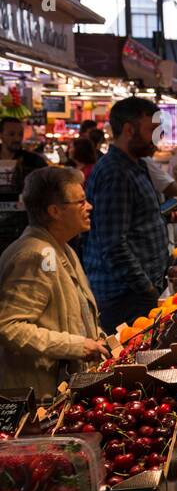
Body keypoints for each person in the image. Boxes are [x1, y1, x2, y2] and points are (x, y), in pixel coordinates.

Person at [0, 167, 107, 399]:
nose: (89, 207)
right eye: (80, 202)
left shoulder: (61, 247)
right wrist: (76, 346)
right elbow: (9, 327)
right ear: (55, 211)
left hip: (58, 389)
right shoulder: (35, 255)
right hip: (37, 396)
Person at [82, 97, 172, 333]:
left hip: (135, 291)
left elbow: (132, 221)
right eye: (153, 130)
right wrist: (146, 288)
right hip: (124, 296)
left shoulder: (136, 165)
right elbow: (113, 244)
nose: (159, 136)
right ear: (129, 130)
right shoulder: (116, 173)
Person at [0, 115, 49, 253]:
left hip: (23, 227)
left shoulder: (34, 161)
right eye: (11, 134)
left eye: (20, 134)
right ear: (1, 135)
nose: (16, 138)